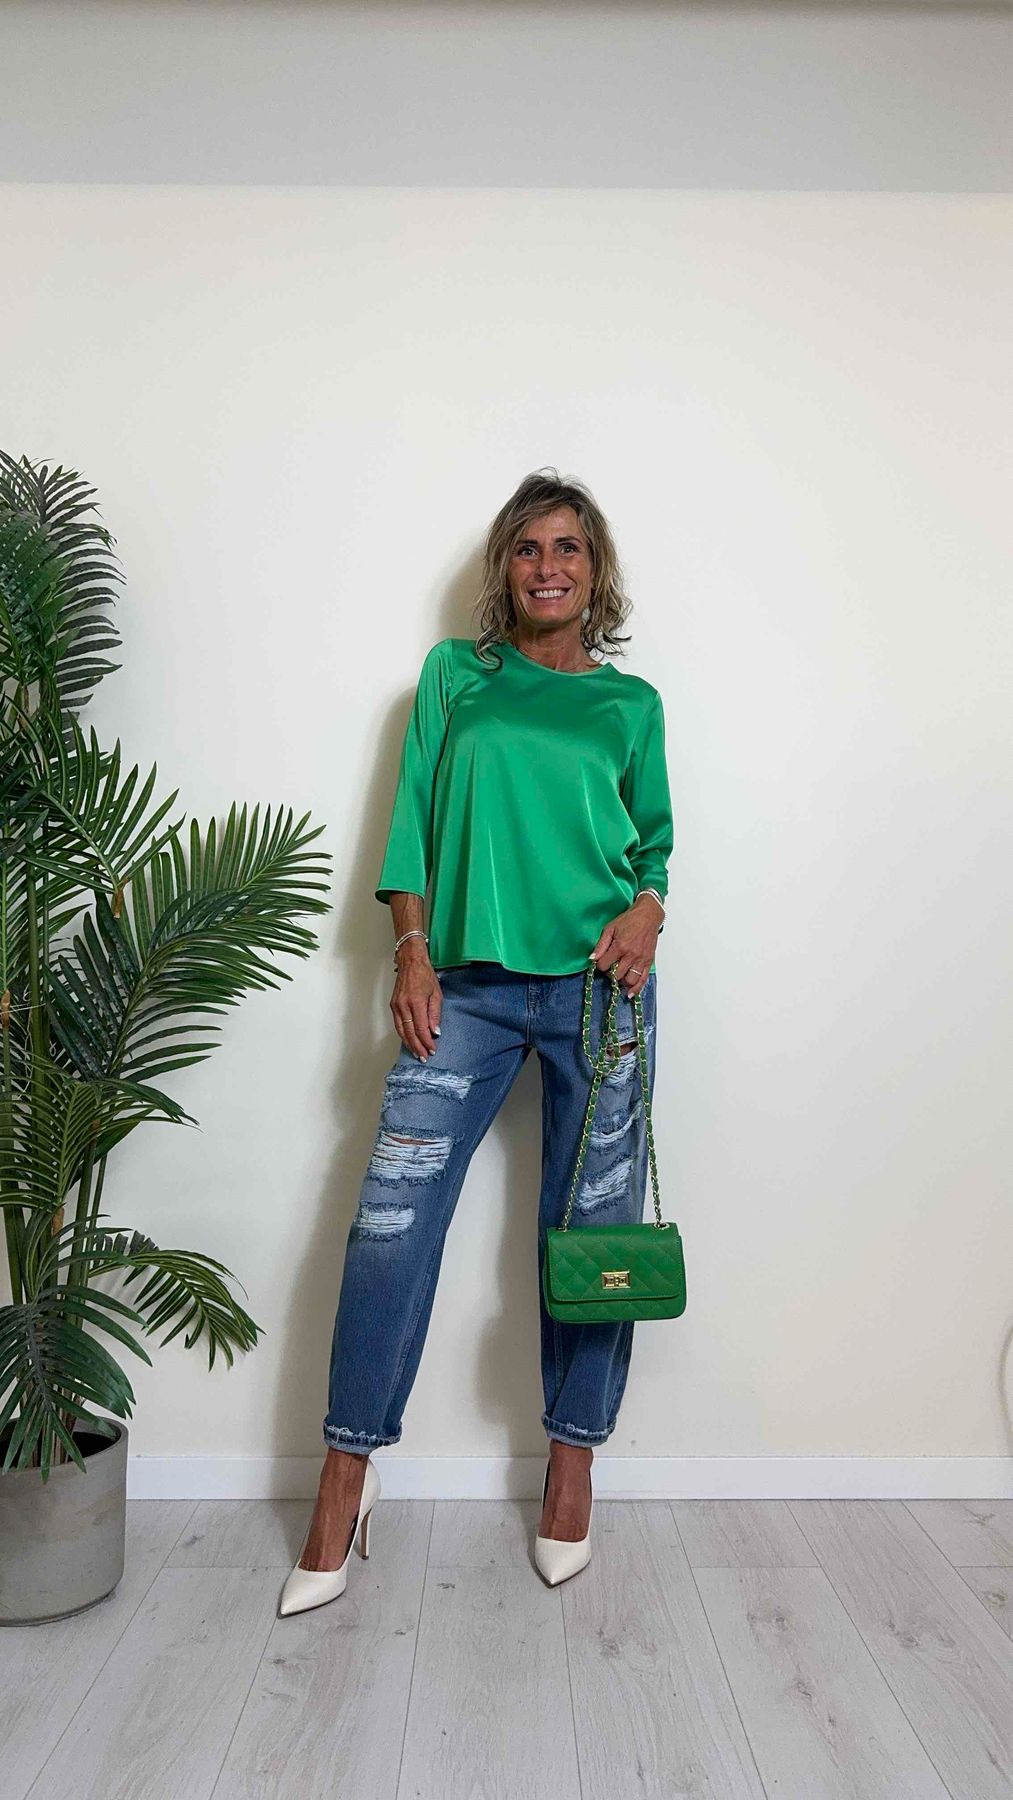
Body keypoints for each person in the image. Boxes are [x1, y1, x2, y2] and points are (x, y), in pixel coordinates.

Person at [280, 468, 673, 1616]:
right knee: (390, 1225)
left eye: (567, 547)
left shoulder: (631, 703)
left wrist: (648, 910)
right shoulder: (457, 677)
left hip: (601, 988)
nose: (547, 566)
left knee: (595, 1233)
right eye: (526, 547)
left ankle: (571, 1463)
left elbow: (652, 847)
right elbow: (410, 822)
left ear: (594, 571)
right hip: (465, 987)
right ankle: (346, 1474)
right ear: (504, 567)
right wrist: (410, 949)